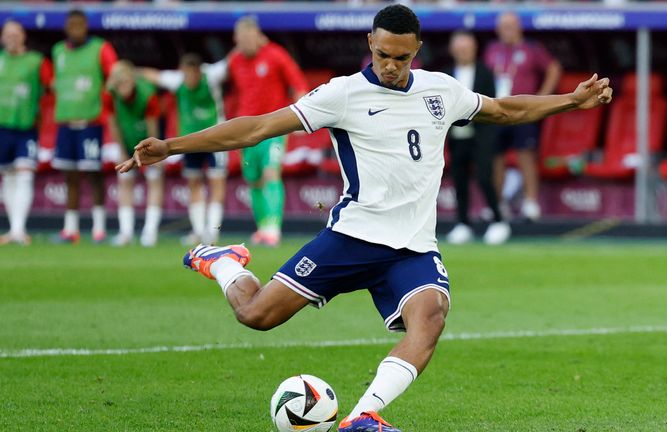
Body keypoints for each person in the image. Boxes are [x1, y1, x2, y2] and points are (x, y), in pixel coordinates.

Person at [117, 5, 611, 431]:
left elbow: (504, 109)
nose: (392, 66)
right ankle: (225, 261)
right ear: (369, 42)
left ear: (416, 49)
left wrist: (570, 99)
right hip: (353, 237)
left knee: (432, 317)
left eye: (403, 57)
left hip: (414, 245)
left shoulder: (441, 90)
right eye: (383, 55)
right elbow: (260, 127)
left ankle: (364, 417)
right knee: (256, 316)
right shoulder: (342, 94)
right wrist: (172, 146)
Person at [226, 17, 309, 246]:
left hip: (274, 127)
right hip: (245, 130)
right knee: (253, 180)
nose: (244, 44)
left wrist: (302, 118)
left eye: (248, 38)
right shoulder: (235, 61)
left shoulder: (276, 55)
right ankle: (262, 227)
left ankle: (273, 228)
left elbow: (298, 85)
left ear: (258, 36)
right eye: (240, 40)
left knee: (271, 173)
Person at [141, 53, 228, 245]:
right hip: (190, 142)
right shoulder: (177, 81)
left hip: (217, 139)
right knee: (194, 183)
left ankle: (212, 232)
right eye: (185, 75)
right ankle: (198, 232)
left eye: (192, 74)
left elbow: (230, 62)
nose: (188, 79)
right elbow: (154, 75)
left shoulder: (212, 75)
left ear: (198, 71)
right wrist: (132, 71)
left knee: (217, 182)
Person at [484, 12, 562, 222]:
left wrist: (542, 99)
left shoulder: (531, 49)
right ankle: (498, 204)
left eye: (510, 26)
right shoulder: (493, 50)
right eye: (502, 27)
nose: (506, 31)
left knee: (525, 156)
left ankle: (530, 202)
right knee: (496, 158)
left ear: (518, 27)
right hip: (497, 110)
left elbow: (553, 69)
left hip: (523, 111)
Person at [51, 9, 118, 243]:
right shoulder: (58, 50)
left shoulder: (100, 47)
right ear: (67, 27)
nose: (76, 28)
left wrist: (104, 97)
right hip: (66, 121)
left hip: (90, 122)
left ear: (86, 25)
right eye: (72, 24)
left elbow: (114, 74)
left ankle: (98, 229)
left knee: (93, 173)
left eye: (80, 24)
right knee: (69, 176)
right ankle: (71, 229)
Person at [444, 30, 509, 245]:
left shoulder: (485, 73)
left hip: (480, 135)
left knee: (484, 177)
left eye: (467, 47)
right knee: (459, 180)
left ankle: (498, 220)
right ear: (453, 50)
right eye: (459, 48)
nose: (463, 52)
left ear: (474, 49)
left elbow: (493, 104)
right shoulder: (445, 75)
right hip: (456, 136)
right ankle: (463, 222)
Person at [0, 20, 53, 245]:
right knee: (8, 176)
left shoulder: (36, 62)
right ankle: (13, 229)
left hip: (26, 126)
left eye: (15, 33)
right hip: (2, 126)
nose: (11, 37)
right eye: (7, 34)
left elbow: (51, 87)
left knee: (24, 174)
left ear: (23, 36)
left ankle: (19, 229)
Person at [106, 61, 163, 247]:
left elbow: (152, 125)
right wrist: (122, 149)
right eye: (119, 83)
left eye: (126, 82)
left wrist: (152, 152)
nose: (123, 87)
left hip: (147, 138)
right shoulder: (109, 95)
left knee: (155, 179)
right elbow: (112, 122)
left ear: (132, 79)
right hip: (126, 137)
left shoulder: (147, 93)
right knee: (125, 180)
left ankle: (150, 233)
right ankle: (126, 232)